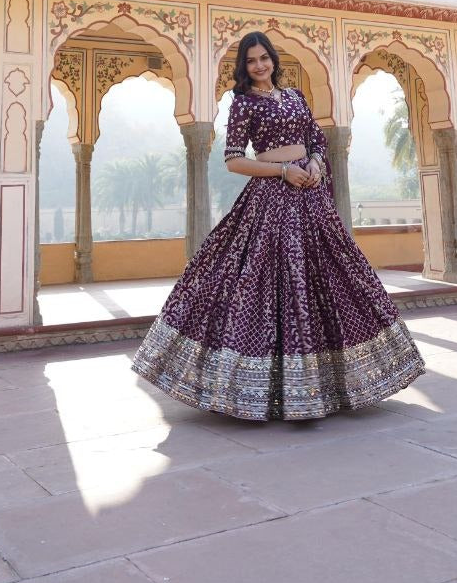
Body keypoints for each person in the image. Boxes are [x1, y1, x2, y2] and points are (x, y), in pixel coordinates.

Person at [132, 31, 426, 421]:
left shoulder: (295, 97)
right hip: (272, 199)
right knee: (263, 281)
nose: (259, 66)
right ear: (244, 67)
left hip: (311, 196)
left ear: (273, 59)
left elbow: (317, 141)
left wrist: (317, 165)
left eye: (264, 58)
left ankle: (332, 383)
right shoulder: (243, 104)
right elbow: (234, 160)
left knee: (331, 276)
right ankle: (260, 389)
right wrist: (282, 171)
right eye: (251, 61)